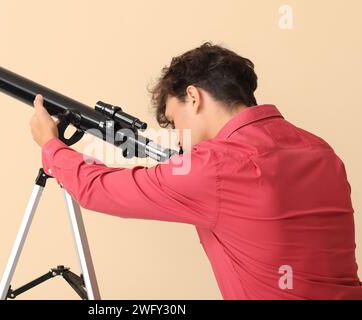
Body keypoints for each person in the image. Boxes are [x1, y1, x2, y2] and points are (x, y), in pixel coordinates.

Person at [29, 42, 362, 299]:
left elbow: (96, 190)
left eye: (175, 121)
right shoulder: (321, 151)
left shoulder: (214, 167)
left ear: (193, 96)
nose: (177, 136)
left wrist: (51, 146)